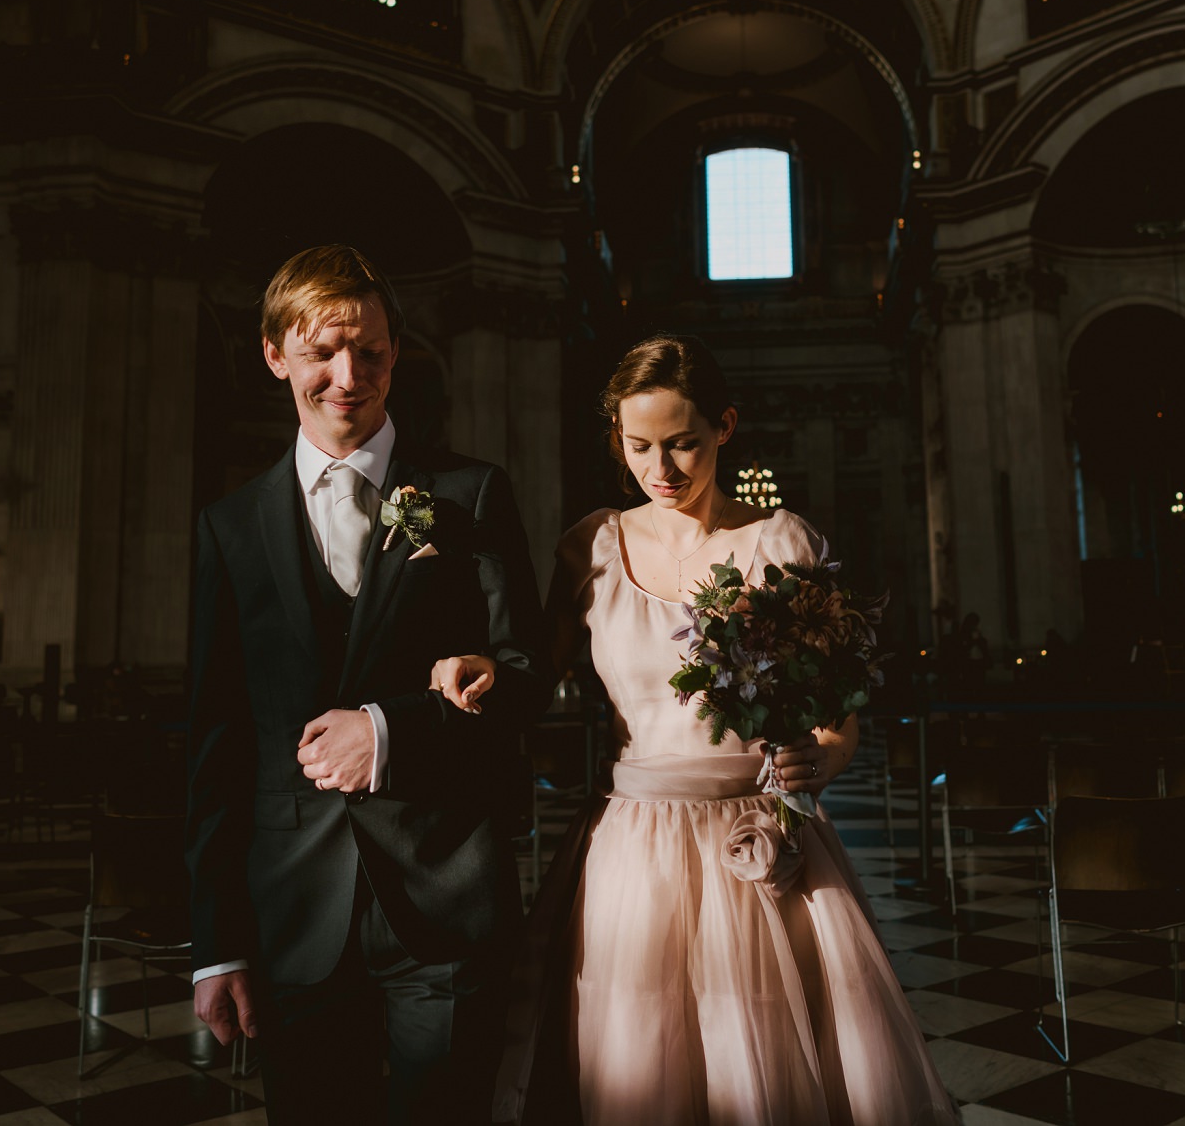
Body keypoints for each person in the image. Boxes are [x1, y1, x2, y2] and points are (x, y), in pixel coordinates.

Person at [456, 334, 959, 1125]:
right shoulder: (593, 546)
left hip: (756, 841)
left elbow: (839, 724)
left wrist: (815, 761)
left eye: (683, 442)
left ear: (725, 426)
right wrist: (475, 666)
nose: (661, 468)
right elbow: (527, 676)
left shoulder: (778, 542)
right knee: (638, 1063)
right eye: (639, 446)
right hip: (633, 847)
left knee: (759, 1065)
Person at [184, 245, 549, 1125]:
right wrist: (216, 946)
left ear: (397, 351)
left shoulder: (469, 494)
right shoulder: (230, 529)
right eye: (321, 352)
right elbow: (216, 740)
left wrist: (392, 729)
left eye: (372, 352)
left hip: (447, 893)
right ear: (275, 354)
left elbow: (528, 681)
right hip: (294, 912)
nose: (349, 376)